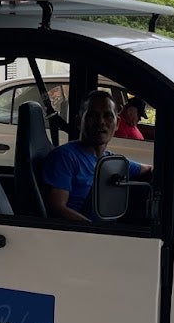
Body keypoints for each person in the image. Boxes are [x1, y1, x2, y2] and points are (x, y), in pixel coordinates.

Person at [42, 89, 151, 223]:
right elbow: (57, 208)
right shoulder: (65, 157)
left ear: (117, 123)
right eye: (92, 116)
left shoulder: (111, 161)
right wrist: (96, 231)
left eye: (108, 116)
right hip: (80, 235)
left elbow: (146, 169)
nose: (101, 122)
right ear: (78, 121)